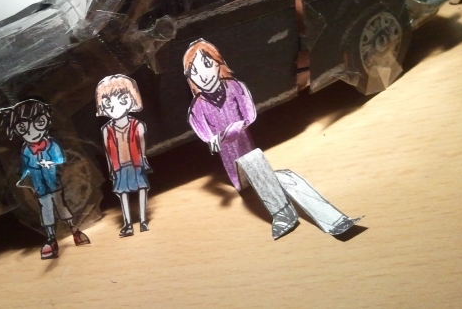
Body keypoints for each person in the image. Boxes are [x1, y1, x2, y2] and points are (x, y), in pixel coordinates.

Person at [184, 39, 361, 239]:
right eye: (194, 72)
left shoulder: (236, 87)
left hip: (250, 153)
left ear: (219, 63)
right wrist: (216, 139)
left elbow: (249, 115)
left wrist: (232, 129)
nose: (203, 76)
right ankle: (297, 215)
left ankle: (295, 216)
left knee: (261, 166)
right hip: (234, 167)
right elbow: (206, 135)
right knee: (262, 171)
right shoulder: (196, 108)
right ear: (190, 78)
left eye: (207, 65)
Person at [0, 99, 90, 259]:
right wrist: (24, 180)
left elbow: (60, 159)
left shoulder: (52, 145)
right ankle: (51, 238)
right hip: (39, 188)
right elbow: (25, 168)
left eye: (39, 123)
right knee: (46, 211)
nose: (32, 132)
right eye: (23, 128)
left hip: (55, 184)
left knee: (61, 206)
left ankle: (74, 230)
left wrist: (50, 163)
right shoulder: (26, 150)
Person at [96, 75, 152, 237]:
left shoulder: (138, 125)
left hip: (136, 164)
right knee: (122, 194)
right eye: (108, 103)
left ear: (133, 98)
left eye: (121, 99)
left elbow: (142, 147)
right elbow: (108, 151)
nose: (114, 106)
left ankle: (143, 220)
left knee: (142, 189)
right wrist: (111, 169)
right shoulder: (106, 130)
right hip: (119, 167)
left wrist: (144, 161)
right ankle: (127, 223)